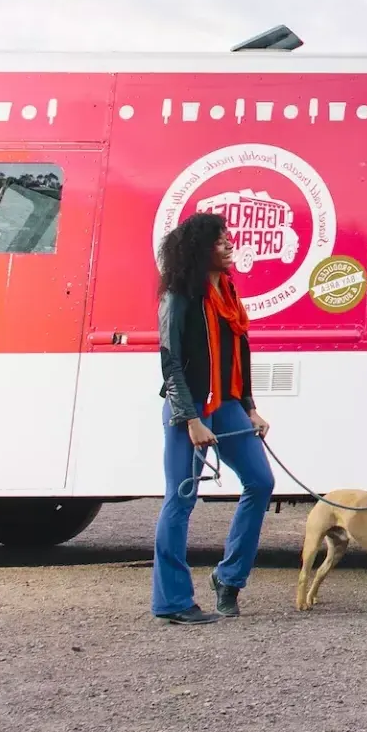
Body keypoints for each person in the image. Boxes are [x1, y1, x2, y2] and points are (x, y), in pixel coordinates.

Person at [152, 212, 275, 625]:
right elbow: (171, 363)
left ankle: (229, 578)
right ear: (199, 249)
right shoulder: (179, 295)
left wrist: (250, 407)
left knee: (261, 482)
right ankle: (172, 601)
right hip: (191, 409)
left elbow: (239, 356)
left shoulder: (229, 293)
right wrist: (190, 419)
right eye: (220, 241)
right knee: (180, 499)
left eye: (228, 239)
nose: (228, 246)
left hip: (227, 405)